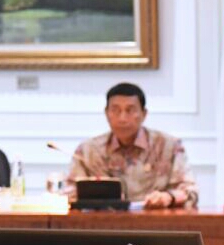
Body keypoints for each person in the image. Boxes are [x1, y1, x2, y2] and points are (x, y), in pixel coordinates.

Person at [68, 82, 197, 208]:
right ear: (107, 114)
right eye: (116, 110)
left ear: (144, 114)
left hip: (155, 223)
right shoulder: (88, 150)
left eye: (130, 110)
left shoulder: (168, 146)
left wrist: (168, 197)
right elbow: (70, 192)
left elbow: (190, 191)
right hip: (103, 224)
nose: (122, 118)